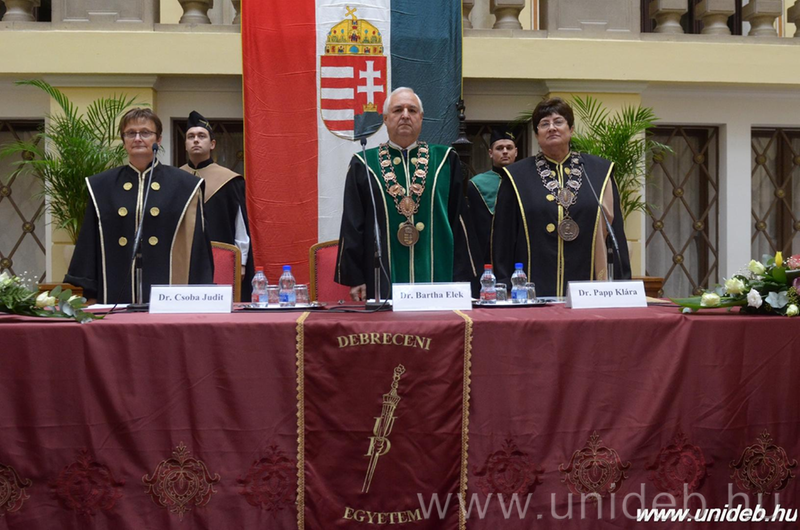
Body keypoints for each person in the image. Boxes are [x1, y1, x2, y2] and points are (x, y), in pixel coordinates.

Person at [335, 87, 478, 301]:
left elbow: (460, 221)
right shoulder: (363, 163)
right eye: (397, 110)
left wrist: (463, 277)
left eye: (412, 110)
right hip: (383, 277)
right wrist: (356, 277)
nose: (405, 115)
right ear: (385, 119)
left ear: (421, 118)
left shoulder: (445, 160)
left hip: (440, 276)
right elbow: (353, 224)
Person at [65, 108, 214, 304]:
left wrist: (200, 295)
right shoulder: (101, 186)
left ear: (158, 139)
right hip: (113, 292)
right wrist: (87, 293)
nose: (137, 138)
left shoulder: (185, 186)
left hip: (168, 296)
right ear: (123, 141)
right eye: (130, 133)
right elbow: (88, 244)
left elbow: (197, 248)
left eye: (145, 132)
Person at [492, 97, 631, 297]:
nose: (552, 128)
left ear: (571, 129)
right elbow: (503, 240)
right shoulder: (516, 176)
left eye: (558, 122)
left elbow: (615, 234)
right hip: (531, 292)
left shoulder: (599, 172)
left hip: (587, 292)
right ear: (537, 134)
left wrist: (622, 285)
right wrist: (503, 286)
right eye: (544, 124)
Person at [180, 110, 254, 299]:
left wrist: (241, 262)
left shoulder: (229, 181)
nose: (196, 140)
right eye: (191, 137)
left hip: (221, 259)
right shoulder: (175, 180)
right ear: (185, 144)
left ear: (212, 144)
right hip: (183, 260)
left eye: (201, 136)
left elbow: (240, 225)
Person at [467, 126, 518, 265]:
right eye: (499, 148)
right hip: (487, 253)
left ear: (516, 152)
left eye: (509, 148)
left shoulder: (525, 181)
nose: (505, 151)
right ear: (490, 153)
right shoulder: (476, 185)